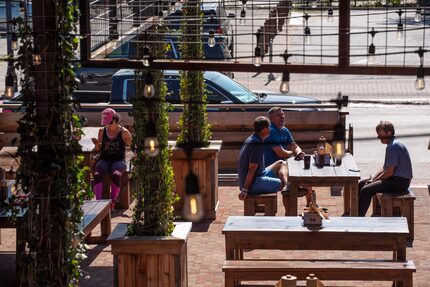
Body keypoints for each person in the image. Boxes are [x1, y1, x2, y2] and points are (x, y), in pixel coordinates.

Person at [358, 120, 412, 216]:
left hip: (400, 182)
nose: (379, 137)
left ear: (389, 133)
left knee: (366, 190)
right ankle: (355, 213)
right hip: (394, 179)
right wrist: (373, 179)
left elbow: (389, 172)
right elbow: (384, 169)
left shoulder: (393, 147)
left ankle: (358, 218)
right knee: (361, 183)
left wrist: (374, 181)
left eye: (381, 135)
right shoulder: (392, 145)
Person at [237, 116, 289, 211]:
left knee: (281, 163)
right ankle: (286, 186)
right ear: (265, 129)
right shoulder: (256, 144)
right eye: (269, 126)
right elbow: (252, 168)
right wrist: (245, 190)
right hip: (253, 183)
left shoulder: (253, 138)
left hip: (260, 174)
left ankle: (286, 184)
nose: (270, 129)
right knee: (283, 186)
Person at [264, 106, 313, 206]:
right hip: (269, 166)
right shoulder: (271, 131)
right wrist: (292, 153)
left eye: (283, 115)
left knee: (307, 176)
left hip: (283, 164)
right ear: (271, 119)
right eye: (279, 115)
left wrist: (299, 153)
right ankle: (289, 188)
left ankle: (310, 205)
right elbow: (281, 153)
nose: (282, 117)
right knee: (286, 170)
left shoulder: (284, 130)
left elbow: (293, 145)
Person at [93, 108, 132, 210]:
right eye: (105, 123)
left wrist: (135, 154)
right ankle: (98, 202)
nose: (107, 125)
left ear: (115, 119)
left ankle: (113, 201)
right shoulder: (102, 131)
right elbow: (99, 149)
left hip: (118, 160)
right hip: (104, 159)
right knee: (97, 174)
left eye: (109, 122)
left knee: (116, 175)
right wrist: (97, 145)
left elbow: (132, 146)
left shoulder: (124, 132)